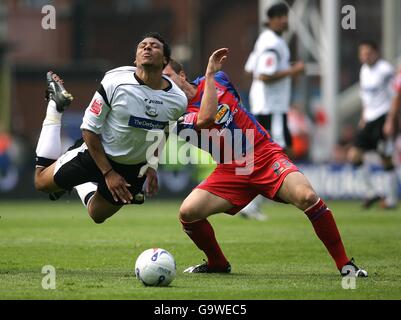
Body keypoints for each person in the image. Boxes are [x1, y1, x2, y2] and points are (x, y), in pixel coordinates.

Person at [163, 48, 368, 277]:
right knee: (188, 212)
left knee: (307, 197)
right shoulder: (174, 115)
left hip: (263, 154)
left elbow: (237, 109)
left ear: (182, 75)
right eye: (162, 82)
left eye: (169, 77)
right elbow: (207, 117)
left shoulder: (220, 79)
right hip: (231, 170)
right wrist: (210, 74)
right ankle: (217, 263)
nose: (166, 85)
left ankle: (345, 266)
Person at [34, 32, 187, 223]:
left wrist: (152, 164)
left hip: (133, 168)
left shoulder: (178, 100)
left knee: (97, 215)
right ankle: (55, 106)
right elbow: (89, 130)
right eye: (142, 45)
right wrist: (108, 173)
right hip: (94, 153)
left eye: (154, 46)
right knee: (41, 183)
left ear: (165, 59)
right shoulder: (115, 83)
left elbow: (163, 131)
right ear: (136, 59)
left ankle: (78, 184)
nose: (147, 47)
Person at [240, 2, 305, 220]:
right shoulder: (273, 43)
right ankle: (251, 203)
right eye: (280, 16)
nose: (285, 20)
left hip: (264, 105)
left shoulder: (263, 41)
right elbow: (264, 75)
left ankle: (251, 201)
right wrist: (293, 70)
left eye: (285, 16)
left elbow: (250, 69)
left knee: (267, 155)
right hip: (271, 107)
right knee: (274, 155)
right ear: (271, 20)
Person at [347, 40, 398, 209]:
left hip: (383, 117)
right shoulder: (364, 70)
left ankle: (391, 200)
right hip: (369, 118)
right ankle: (371, 193)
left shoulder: (385, 70)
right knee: (354, 155)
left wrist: (391, 120)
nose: (364, 56)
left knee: (385, 157)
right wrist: (363, 116)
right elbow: (365, 97)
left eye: (368, 53)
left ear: (376, 53)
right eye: (362, 53)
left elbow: (396, 95)